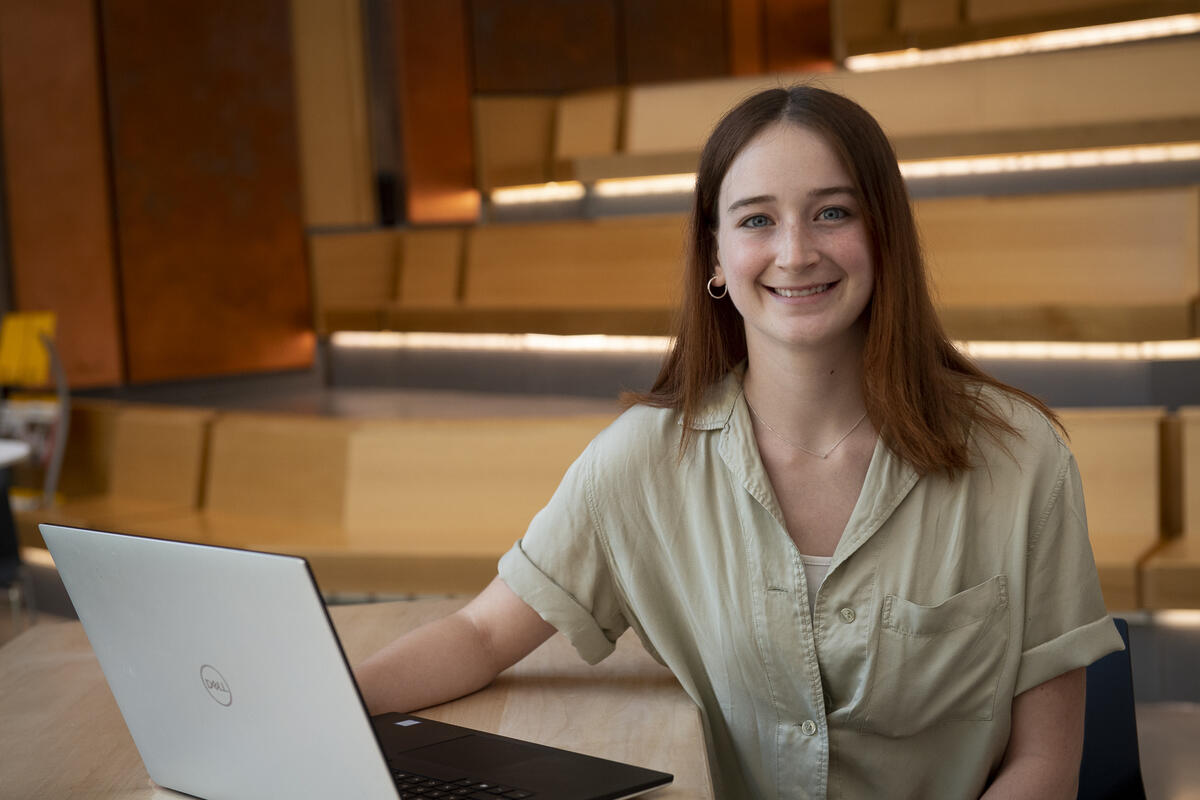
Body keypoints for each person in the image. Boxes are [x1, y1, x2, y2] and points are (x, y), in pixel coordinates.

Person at [356, 85, 1124, 799]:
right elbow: (482, 632)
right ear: (716, 257)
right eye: (757, 219)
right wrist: (311, 701)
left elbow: (1044, 766)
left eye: (832, 213)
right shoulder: (641, 462)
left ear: (885, 236)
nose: (795, 252)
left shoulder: (1021, 456)